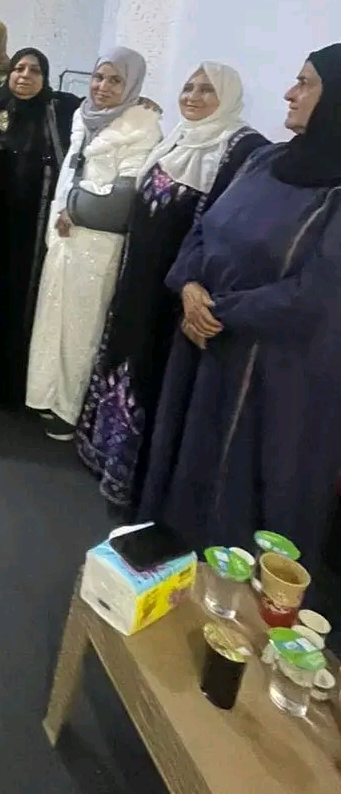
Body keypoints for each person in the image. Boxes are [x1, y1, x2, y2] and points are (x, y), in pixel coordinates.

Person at [139, 46, 341, 565]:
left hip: (270, 369)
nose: (289, 93)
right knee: (187, 456)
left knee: (237, 491)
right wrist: (188, 286)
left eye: (305, 83)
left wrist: (216, 310)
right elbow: (205, 226)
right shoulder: (264, 160)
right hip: (206, 338)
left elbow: (315, 293)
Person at [76, 64, 267, 507]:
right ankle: (106, 457)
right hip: (138, 281)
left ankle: (142, 483)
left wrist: (191, 284)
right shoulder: (177, 140)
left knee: (157, 376)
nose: (193, 96)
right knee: (125, 359)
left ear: (228, 97)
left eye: (207, 90)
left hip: (178, 292)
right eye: (188, 87)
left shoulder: (242, 151)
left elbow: (223, 230)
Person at [26, 48, 161, 440]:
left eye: (116, 80)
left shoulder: (142, 125)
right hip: (65, 237)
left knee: (83, 330)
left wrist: (76, 210)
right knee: (53, 321)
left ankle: (69, 411)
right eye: (99, 77)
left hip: (97, 245)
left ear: (132, 85)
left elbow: (122, 201)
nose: (103, 87)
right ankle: (45, 396)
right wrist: (69, 210)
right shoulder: (83, 115)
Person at [0, 48, 81, 404]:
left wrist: (141, 103)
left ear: (46, 77)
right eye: (19, 68)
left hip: (34, 232)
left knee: (23, 303)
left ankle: (15, 388)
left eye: (35, 70)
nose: (25, 76)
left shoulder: (59, 110)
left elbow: (99, 111)